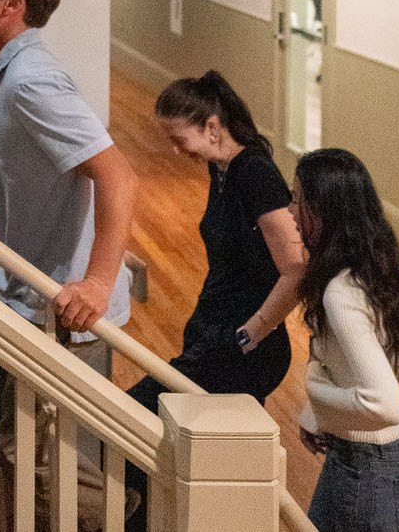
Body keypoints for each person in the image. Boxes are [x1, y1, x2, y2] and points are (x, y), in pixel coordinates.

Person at [0, 0, 137, 450]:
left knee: (55, 470)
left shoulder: (30, 80)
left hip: (63, 309)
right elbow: (36, 180)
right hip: (22, 289)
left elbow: (117, 175)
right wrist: (1, 240)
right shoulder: (4, 73)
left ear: (12, 5)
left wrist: (97, 284)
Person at [124, 71, 307, 529]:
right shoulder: (221, 168)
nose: (173, 150)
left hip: (242, 349)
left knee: (137, 424)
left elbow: (297, 266)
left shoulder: (255, 173)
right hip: (215, 338)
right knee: (187, 452)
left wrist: (253, 331)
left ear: (211, 126)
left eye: (177, 138)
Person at [294, 148, 399, 532]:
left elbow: (383, 403)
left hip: (372, 473)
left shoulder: (341, 292)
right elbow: (362, 364)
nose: (290, 211)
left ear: (322, 211)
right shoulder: (369, 268)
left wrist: (315, 392)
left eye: (297, 200)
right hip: (368, 460)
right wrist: (316, 414)